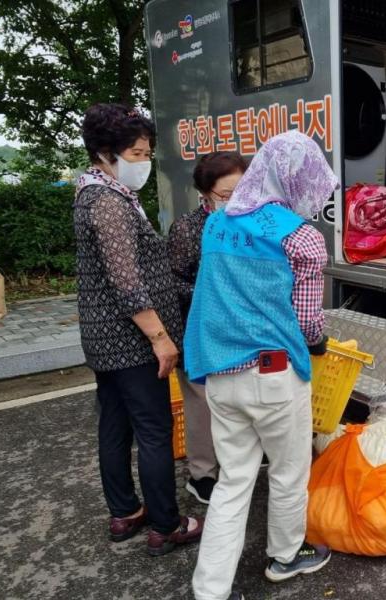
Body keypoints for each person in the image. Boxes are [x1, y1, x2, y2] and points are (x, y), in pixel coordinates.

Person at [186, 130, 338, 600]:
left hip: (220, 372)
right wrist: (316, 343)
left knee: (233, 481)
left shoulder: (216, 222)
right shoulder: (303, 239)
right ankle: (285, 558)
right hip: (273, 375)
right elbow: (308, 321)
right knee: (289, 472)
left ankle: (210, 589)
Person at [73, 103, 203, 556]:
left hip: (105, 339)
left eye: (148, 153)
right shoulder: (108, 202)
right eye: (136, 153)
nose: (144, 162)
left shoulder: (94, 192)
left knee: (114, 424)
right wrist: (160, 337)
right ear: (106, 153)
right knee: (153, 429)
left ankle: (125, 512)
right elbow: (125, 280)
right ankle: (167, 524)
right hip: (130, 341)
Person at [167, 151, 247, 504]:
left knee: (236, 401)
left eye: (243, 190)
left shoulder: (249, 223)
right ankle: (201, 474)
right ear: (205, 196)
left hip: (239, 332)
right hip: (197, 330)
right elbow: (172, 281)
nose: (236, 200)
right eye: (226, 195)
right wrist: (212, 292)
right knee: (201, 404)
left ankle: (236, 464)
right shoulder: (188, 228)